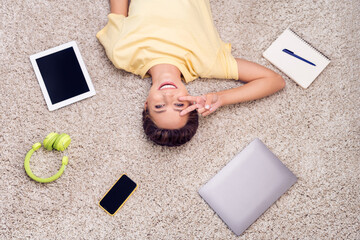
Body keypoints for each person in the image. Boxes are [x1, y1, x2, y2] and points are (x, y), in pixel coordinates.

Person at [97, 0, 285, 147]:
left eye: (160, 106)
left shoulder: (121, 54)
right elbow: (274, 80)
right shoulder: (207, 64)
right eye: (179, 104)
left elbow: (118, 13)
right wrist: (221, 98)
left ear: (146, 104)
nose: (168, 95)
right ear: (191, 101)